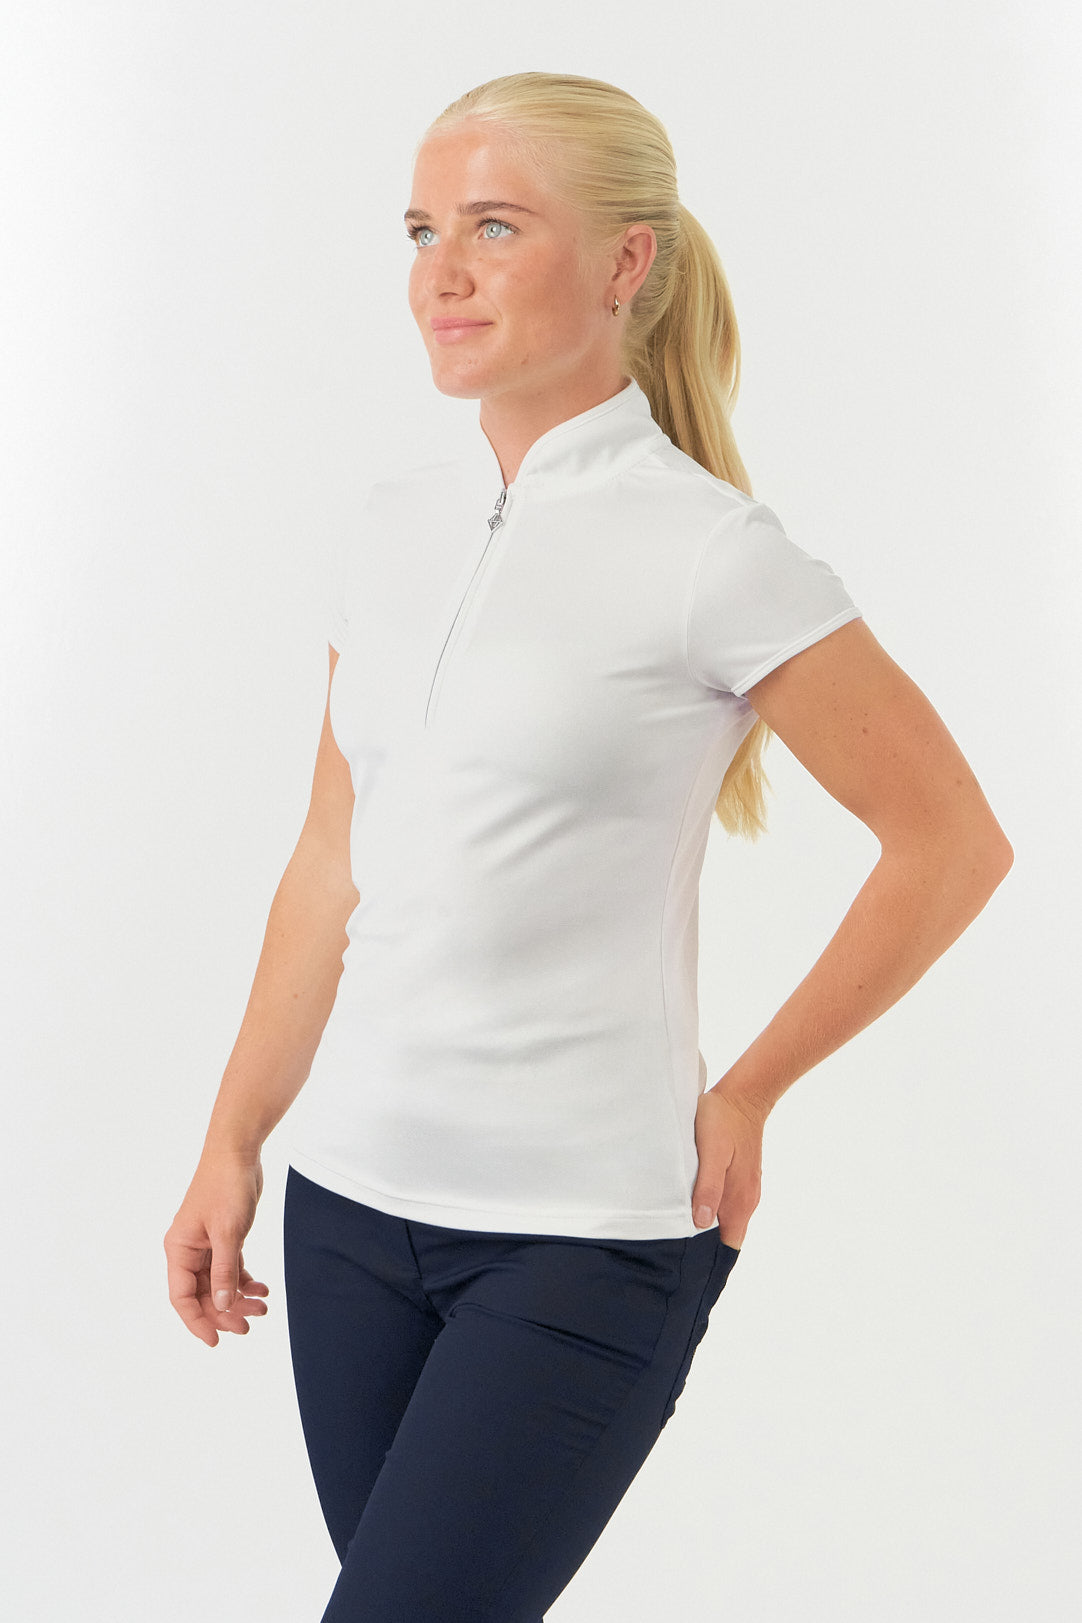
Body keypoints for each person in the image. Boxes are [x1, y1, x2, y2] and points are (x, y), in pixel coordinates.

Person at [164, 71, 1013, 1622]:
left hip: (578, 1241)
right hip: (348, 1216)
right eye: (422, 229)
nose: (442, 271)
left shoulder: (711, 553)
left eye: (495, 226)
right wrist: (235, 1138)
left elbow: (949, 843)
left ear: (627, 261)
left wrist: (749, 1088)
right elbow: (330, 858)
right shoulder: (388, 525)